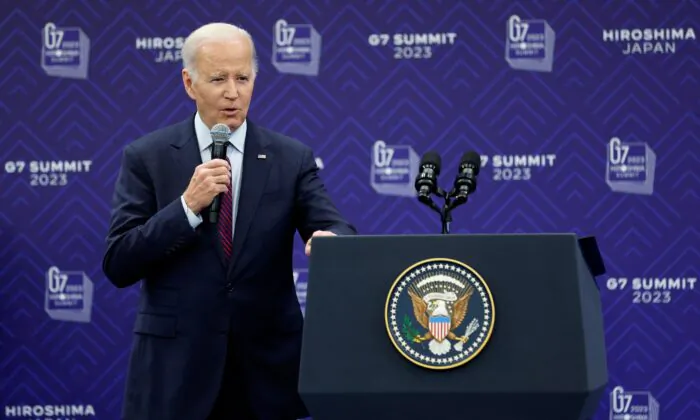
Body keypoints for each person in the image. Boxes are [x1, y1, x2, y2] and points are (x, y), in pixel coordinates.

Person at [102, 22, 356, 420]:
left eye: (243, 77)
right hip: (175, 373)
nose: (233, 92)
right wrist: (186, 207)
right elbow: (119, 262)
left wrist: (330, 240)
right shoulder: (147, 157)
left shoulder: (290, 158)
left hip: (264, 375)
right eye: (218, 78)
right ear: (189, 83)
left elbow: (333, 225)